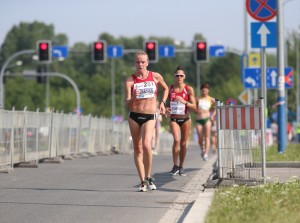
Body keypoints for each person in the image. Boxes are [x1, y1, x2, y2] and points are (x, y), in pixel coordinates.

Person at [125, 51, 168, 192]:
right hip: (134, 116)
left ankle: (149, 176)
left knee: (146, 145)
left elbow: (166, 89)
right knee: (137, 148)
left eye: (143, 62)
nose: (140, 64)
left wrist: (162, 103)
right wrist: (133, 98)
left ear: (147, 63)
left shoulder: (155, 76)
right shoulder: (130, 80)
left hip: (150, 115)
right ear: (134, 63)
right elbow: (127, 103)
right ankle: (142, 181)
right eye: (138, 62)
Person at [167, 66, 196, 176]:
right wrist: (166, 109)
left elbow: (194, 107)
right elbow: (165, 103)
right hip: (174, 118)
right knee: (176, 140)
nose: (179, 77)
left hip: (185, 118)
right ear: (174, 77)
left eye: (181, 75)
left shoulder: (188, 89)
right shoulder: (170, 88)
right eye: (177, 75)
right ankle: (175, 165)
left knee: (183, 144)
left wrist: (185, 102)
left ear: (184, 77)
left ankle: (181, 166)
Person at [195, 83, 215, 161]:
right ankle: (202, 149)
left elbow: (217, 106)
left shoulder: (211, 99)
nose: (204, 92)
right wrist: (196, 110)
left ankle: (206, 154)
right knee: (200, 139)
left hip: (207, 119)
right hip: (199, 119)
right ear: (201, 91)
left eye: (206, 90)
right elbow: (193, 107)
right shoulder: (198, 99)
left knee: (207, 137)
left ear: (208, 91)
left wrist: (213, 115)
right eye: (203, 90)